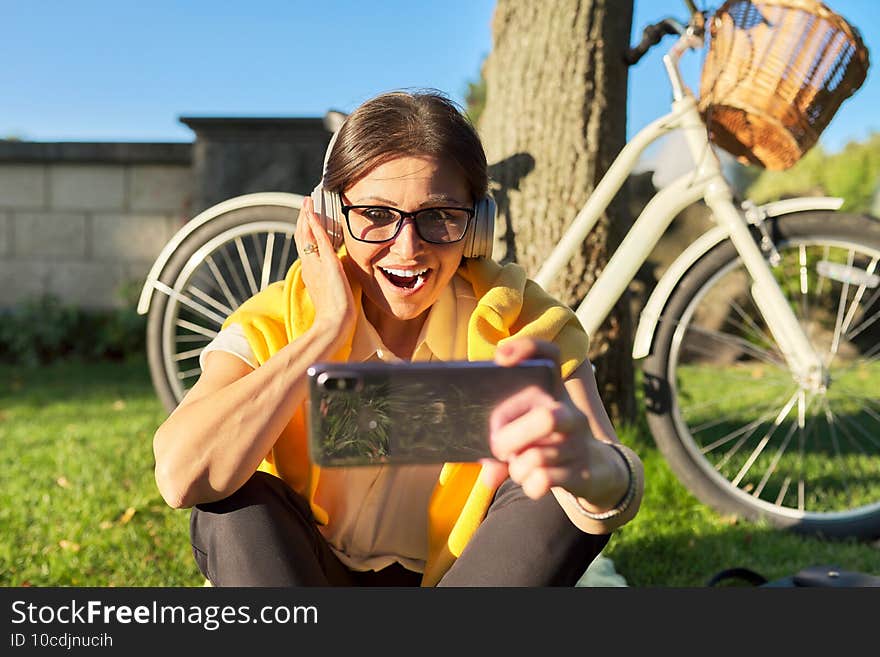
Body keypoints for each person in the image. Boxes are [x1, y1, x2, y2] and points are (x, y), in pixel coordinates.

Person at [152, 88, 644, 587]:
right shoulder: (280, 319)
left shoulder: (524, 321)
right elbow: (179, 476)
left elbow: (618, 483)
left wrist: (589, 469)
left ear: (477, 226)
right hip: (311, 576)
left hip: (464, 577)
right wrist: (324, 334)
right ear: (331, 217)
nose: (407, 249)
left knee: (555, 498)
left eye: (439, 216)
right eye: (376, 215)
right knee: (232, 500)